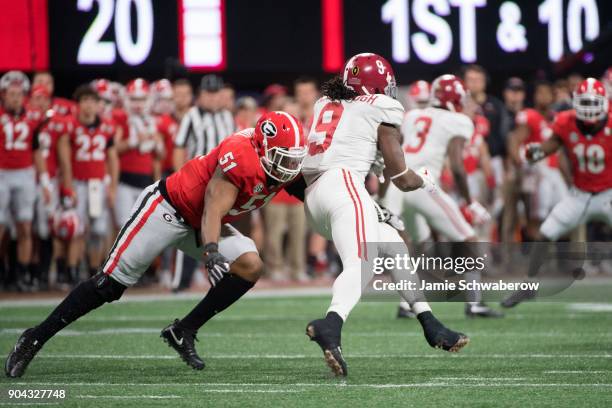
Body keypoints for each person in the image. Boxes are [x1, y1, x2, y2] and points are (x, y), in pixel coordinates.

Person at [5, 111, 307, 378]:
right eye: (283, 157)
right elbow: (214, 206)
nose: (288, 167)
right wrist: (211, 252)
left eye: (293, 158)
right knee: (108, 285)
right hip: (167, 209)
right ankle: (34, 337)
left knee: (250, 266)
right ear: (261, 147)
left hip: (198, 221)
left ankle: (183, 330)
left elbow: (306, 189)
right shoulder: (241, 158)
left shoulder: (277, 163)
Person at [301, 53, 469, 377]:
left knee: (393, 244)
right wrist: (425, 179)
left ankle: (431, 324)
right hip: (343, 186)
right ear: (378, 86)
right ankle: (331, 325)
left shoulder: (326, 103)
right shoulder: (380, 106)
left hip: (315, 197)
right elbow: (402, 178)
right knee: (363, 262)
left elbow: (359, 151)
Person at [383, 74, 501, 318]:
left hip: (399, 182)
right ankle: (475, 302)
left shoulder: (414, 115)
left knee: (417, 246)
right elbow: (457, 166)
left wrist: (384, 194)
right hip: (423, 184)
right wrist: (470, 202)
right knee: (468, 237)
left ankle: (407, 305)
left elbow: (394, 151)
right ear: (456, 98)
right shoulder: (458, 121)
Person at [502, 78, 612, 308]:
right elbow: (551, 145)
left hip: (608, 193)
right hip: (579, 194)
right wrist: (536, 153)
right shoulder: (565, 121)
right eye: (585, 102)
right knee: (545, 233)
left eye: (594, 102)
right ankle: (528, 285)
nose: (590, 107)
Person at [57, 85, 119, 282]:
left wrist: (112, 187)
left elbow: (113, 159)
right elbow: (64, 160)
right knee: (77, 229)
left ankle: (93, 270)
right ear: (78, 104)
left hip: (98, 184)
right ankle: (72, 271)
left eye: (92, 101)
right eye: (85, 101)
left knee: (99, 230)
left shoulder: (106, 127)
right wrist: (68, 186)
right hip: (78, 183)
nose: (89, 105)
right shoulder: (70, 125)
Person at [0, 71, 49, 291]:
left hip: (25, 173)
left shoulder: (33, 117)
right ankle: (4, 272)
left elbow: (37, 150)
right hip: (1, 172)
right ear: (3, 94)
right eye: (12, 94)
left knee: (25, 226)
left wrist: (45, 180)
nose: (16, 98)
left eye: (19, 94)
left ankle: (20, 274)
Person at [507, 81, 568, 241]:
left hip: (553, 171)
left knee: (564, 214)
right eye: (539, 93)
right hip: (536, 170)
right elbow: (514, 139)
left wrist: (569, 178)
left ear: (553, 97)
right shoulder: (530, 115)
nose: (543, 97)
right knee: (536, 215)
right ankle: (532, 255)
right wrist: (518, 164)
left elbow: (559, 154)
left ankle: (554, 257)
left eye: (547, 93)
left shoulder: (557, 119)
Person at [113, 78, 164, 226]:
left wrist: (157, 143)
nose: (138, 104)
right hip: (125, 181)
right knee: (123, 226)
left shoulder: (153, 121)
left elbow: (161, 156)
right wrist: (133, 141)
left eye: (142, 99)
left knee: (145, 226)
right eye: (134, 99)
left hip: (147, 182)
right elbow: (113, 150)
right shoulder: (121, 119)